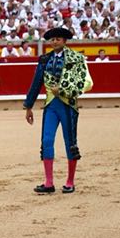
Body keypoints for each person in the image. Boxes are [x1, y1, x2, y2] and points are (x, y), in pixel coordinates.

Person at [23, 27, 90, 194]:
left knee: (70, 143)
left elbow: (85, 82)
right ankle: (48, 182)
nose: (54, 42)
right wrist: (28, 106)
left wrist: (63, 90)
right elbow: (36, 82)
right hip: (51, 105)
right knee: (46, 141)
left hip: (68, 105)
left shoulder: (76, 58)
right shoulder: (44, 59)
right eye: (52, 39)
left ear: (64, 41)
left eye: (58, 39)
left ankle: (70, 181)